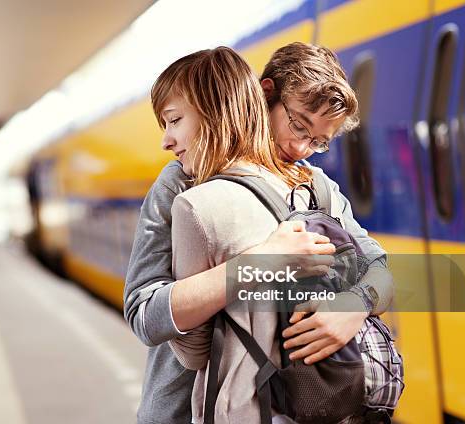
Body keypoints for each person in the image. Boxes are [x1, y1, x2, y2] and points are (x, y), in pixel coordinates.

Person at [124, 43, 392, 424]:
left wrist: (354, 305)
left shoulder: (316, 187)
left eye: (318, 143)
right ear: (264, 94)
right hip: (187, 409)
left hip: (289, 405)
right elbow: (145, 314)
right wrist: (260, 265)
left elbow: (381, 267)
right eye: (298, 126)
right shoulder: (183, 183)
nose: (301, 148)